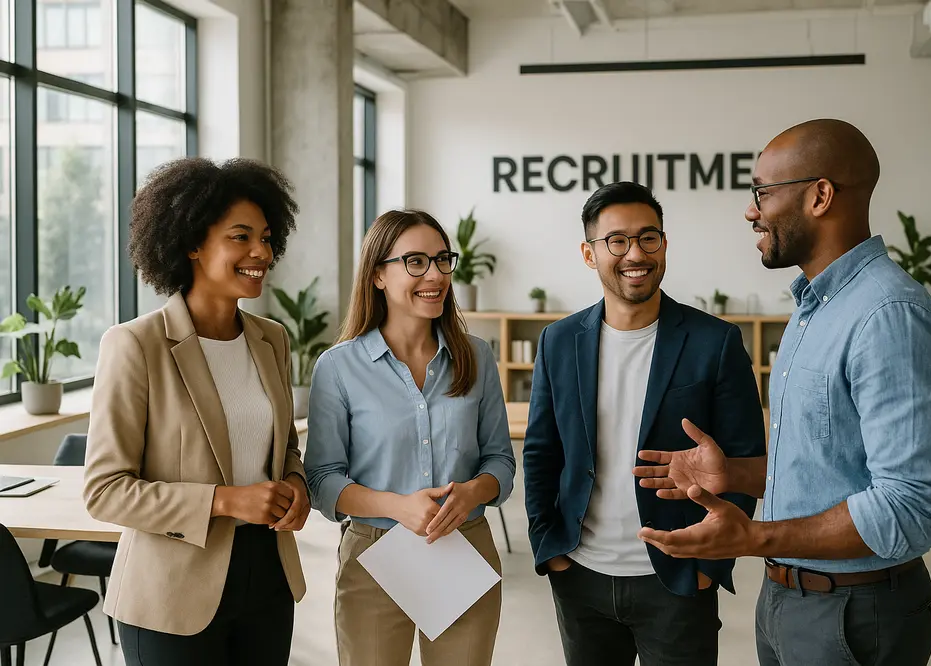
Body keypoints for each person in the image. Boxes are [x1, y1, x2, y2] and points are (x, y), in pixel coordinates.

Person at [636, 119, 931, 666]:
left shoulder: (887, 317)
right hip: (789, 597)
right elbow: (829, 467)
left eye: (762, 191)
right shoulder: (817, 309)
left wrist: (754, 536)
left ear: (820, 195)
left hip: (853, 614)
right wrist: (734, 476)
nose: (750, 209)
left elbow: (909, 508)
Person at [522, 181, 766, 666]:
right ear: (590, 254)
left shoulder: (714, 342)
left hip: (677, 575)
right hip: (580, 574)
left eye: (648, 237)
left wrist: (708, 564)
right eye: (617, 240)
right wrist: (550, 549)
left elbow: (745, 461)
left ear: (664, 244)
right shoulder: (558, 341)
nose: (635, 253)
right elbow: (541, 452)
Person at [83, 157, 310, 666]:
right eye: (241, 237)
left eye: (268, 237)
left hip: (268, 581)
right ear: (191, 244)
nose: (261, 252)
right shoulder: (135, 345)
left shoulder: (272, 339)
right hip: (171, 593)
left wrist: (296, 485)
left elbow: (286, 447)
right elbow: (104, 491)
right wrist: (225, 501)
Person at [304, 209, 516, 666]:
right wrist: (398, 506)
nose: (435, 275)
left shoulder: (476, 357)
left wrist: (475, 491)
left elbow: (501, 459)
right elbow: (321, 480)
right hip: (373, 556)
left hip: (464, 546)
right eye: (415, 262)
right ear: (378, 274)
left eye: (442, 260)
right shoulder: (338, 367)